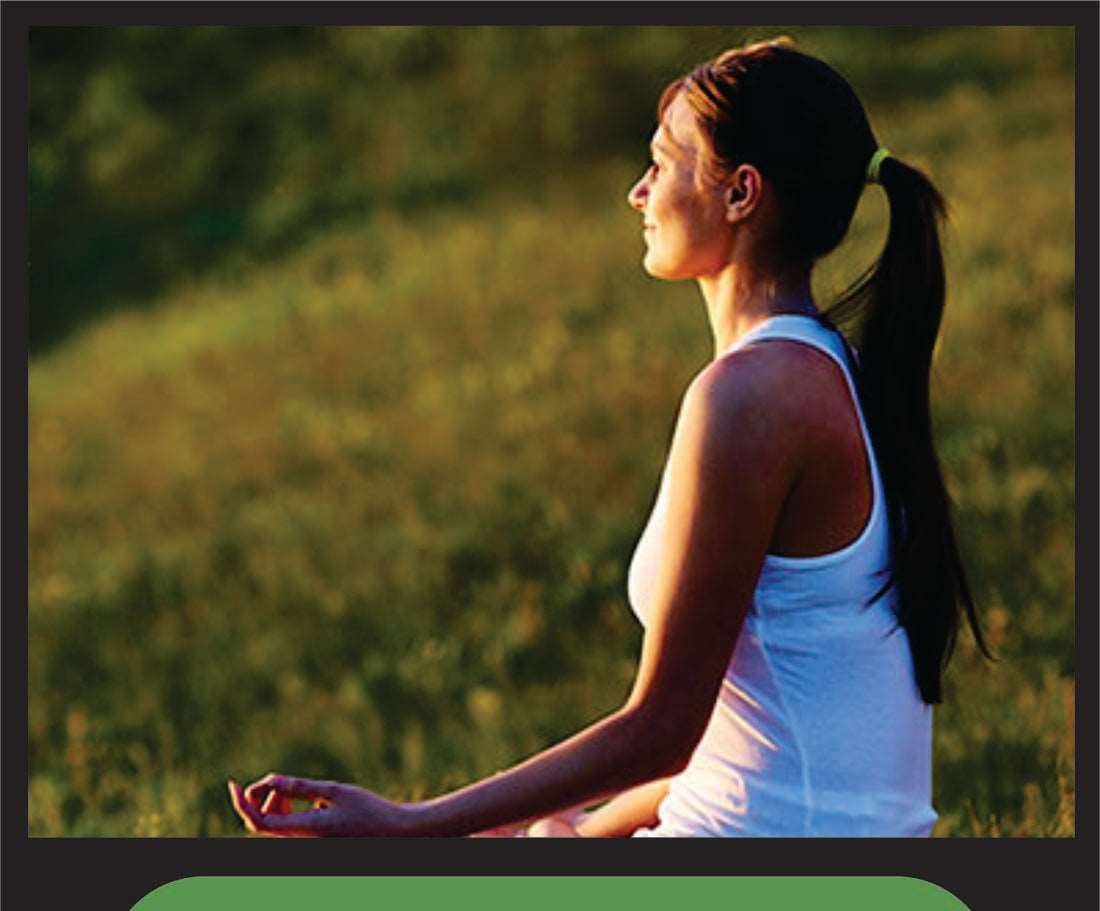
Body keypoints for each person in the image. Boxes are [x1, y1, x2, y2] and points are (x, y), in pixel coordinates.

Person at [228, 38, 987, 839]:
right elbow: (753, 742)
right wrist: (575, 835)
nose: (638, 192)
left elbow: (665, 726)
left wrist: (417, 824)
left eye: (662, 164)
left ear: (741, 194)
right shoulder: (837, 372)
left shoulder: (750, 399)